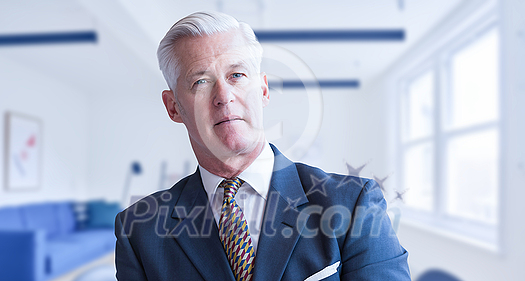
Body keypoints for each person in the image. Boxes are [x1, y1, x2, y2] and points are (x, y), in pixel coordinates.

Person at [115, 11, 411, 281]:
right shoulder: (139, 231)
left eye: (237, 75)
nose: (224, 96)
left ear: (264, 89)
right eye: (201, 82)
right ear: (173, 107)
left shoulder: (353, 204)